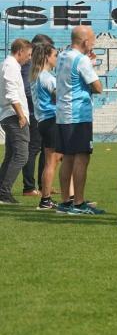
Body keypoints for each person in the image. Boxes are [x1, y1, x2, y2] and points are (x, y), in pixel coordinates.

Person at [54, 26, 104, 214]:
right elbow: (98, 87)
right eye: (92, 40)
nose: (94, 43)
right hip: (78, 115)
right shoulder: (82, 60)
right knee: (82, 158)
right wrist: (90, 64)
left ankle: (66, 201)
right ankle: (79, 203)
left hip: (63, 114)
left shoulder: (62, 56)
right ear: (85, 42)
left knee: (67, 157)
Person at [0, 39, 34, 205]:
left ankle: (2, 191)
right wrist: (21, 115)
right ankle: (4, 193)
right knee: (21, 156)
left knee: (11, 155)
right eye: (28, 55)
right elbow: (12, 92)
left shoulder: (10, 65)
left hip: (10, 115)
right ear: (19, 51)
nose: (29, 59)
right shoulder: (11, 66)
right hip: (14, 116)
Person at [21, 34, 54, 197]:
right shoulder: (29, 66)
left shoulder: (35, 67)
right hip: (34, 113)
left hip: (39, 114)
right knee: (33, 149)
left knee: (45, 149)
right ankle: (28, 187)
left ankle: (43, 186)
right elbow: (27, 90)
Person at [30, 42, 60, 210]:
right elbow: (59, 98)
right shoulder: (46, 77)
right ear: (47, 57)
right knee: (51, 162)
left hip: (43, 121)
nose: (57, 59)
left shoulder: (36, 76)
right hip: (51, 120)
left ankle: (47, 198)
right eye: (55, 55)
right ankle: (45, 199)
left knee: (54, 160)